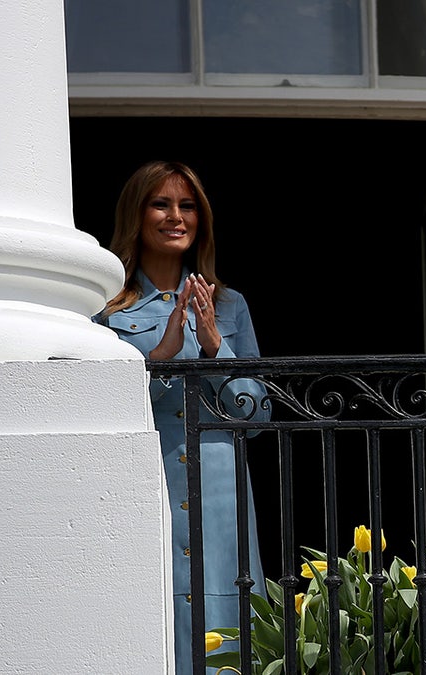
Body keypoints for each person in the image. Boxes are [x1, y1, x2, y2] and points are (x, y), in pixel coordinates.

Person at [94, 160, 269, 673]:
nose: (176, 216)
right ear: (137, 215)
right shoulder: (105, 311)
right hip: (149, 481)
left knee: (228, 625)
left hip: (220, 486)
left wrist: (216, 351)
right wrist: (158, 361)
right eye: (161, 203)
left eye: (187, 205)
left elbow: (256, 414)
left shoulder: (229, 304)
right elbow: (97, 409)